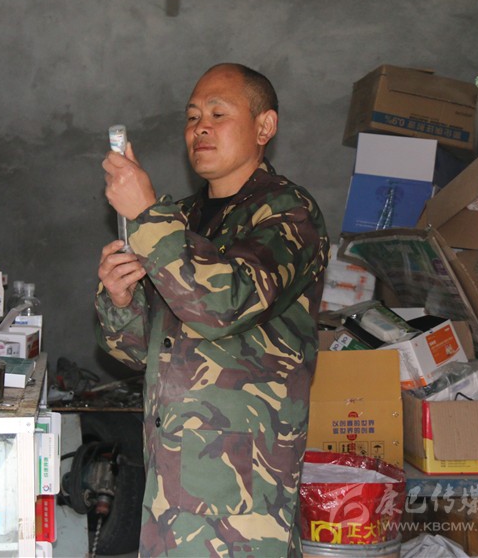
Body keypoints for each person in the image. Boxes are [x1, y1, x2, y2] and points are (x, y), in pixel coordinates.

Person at [94, 63, 330, 557]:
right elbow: (138, 353)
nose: (200, 127)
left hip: (240, 492)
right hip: (170, 476)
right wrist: (120, 300)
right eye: (192, 117)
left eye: (218, 114)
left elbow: (222, 307)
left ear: (264, 127)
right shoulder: (182, 220)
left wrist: (146, 216)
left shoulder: (288, 215)